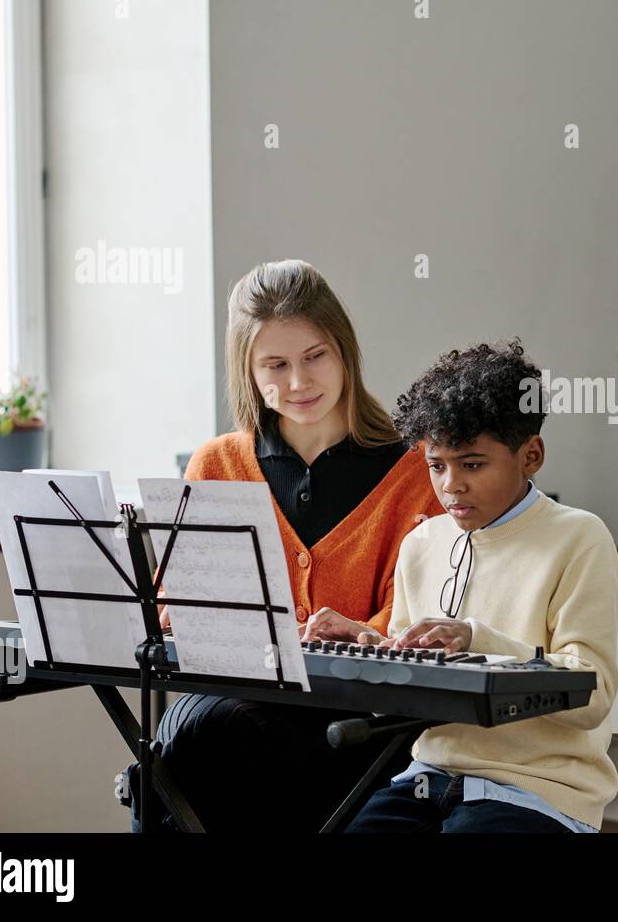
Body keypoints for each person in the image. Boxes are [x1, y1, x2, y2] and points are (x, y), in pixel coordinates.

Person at [128, 259, 440, 832]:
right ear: (247, 371)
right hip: (233, 717)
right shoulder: (217, 463)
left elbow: (420, 622)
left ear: (345, 349)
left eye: (315, 356)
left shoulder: (418, 470)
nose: (298, 383)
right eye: (275, 365)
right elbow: (177, 611)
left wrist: (354, 633)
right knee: (171, 764)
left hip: (358, 732)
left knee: (189, 755)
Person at [345, 339, 618, 833]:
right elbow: (409, 699)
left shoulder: (579, 538)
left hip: (539, 792)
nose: (451, 484)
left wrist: (478, 640)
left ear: (531, 455)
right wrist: (368, 650)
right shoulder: (421, 543)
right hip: (427, 778)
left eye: (472, 464)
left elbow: (593, 695)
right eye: (436, 465)